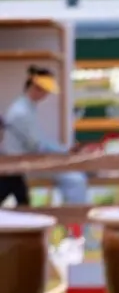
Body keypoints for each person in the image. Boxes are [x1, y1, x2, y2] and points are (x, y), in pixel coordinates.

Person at [1, 66, 89, 208]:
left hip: (23, 161)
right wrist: (64, 152)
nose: (46, 95)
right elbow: (37, 145)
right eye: (44, 90)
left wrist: (64, 151)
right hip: (23, 162)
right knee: (75, 180)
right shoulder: (22, 112)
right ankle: (76, 218)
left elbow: (38, 143)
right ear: (35, 88)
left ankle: (71, 216)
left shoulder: (25, 108)